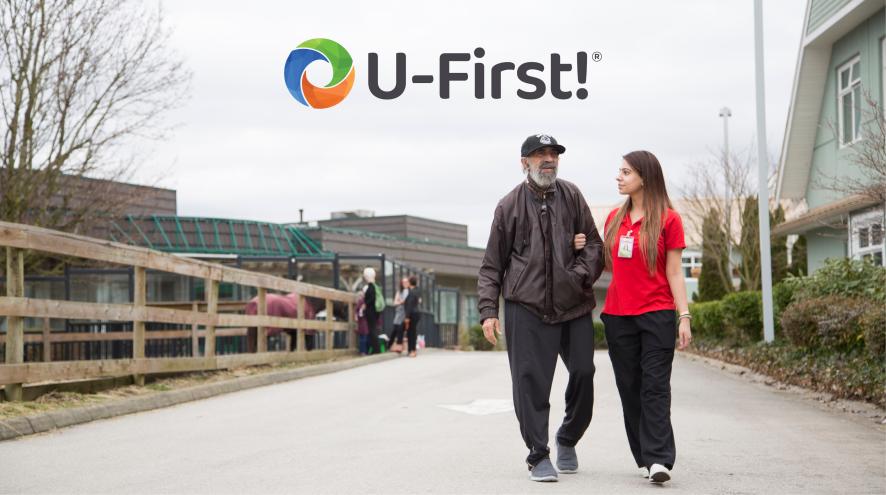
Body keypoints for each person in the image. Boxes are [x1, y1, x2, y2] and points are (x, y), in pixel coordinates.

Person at [477, 133, 605, 482]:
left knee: (583, 373)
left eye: (553, 154)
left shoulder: (572, 195)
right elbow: (492, 265)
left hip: (574, 304)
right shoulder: (508, 206)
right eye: (540, 154)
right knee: (529, 381)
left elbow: (594, 245)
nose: (548, 159)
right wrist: (489, 310)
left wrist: (577, 276)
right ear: (525, 163)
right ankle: (538, 454)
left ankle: (567, 437)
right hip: (527, 307)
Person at [574, 150, 691, 484]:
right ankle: (644, 455)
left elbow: (674, 272)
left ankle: (659, 459)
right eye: (619, 171)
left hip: (656, 315)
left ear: (645, 177)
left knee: (655, 386)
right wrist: (579, 245)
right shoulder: (614, 218)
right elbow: (610, 264)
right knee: (630, 387)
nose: (619, 177)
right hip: (618, 316)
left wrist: (684, 315)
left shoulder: (669, 219)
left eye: (625, 172)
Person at [362, 267, 382, 354]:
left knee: (372, 330)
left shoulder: (370, 287)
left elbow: (371, 299)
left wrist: (365, 305)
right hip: (375, 311)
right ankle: (375, 348)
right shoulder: (375, 287)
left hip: (371, 311)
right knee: (373, 329)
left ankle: (376, 349)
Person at [389, 277, 411, 354]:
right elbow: (395, 302)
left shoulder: (410, 291)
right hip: (399, 313)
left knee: (402, 330)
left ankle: (400, 346)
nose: (405, 284)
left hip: (407, 314)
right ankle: (389, 345)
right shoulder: (399, 292)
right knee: (395, 329)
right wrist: (401, 302)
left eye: (406, 282)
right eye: (403, 282)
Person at [402, 275, 422, 357]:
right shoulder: (417, 290)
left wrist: (407, 317)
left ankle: (412, 350)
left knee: (411, 332)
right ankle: (412, 350)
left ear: (410, 282)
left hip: (412, 314)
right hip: (416, 313)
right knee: (413, 332)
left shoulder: (411, 292)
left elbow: (409, 305)